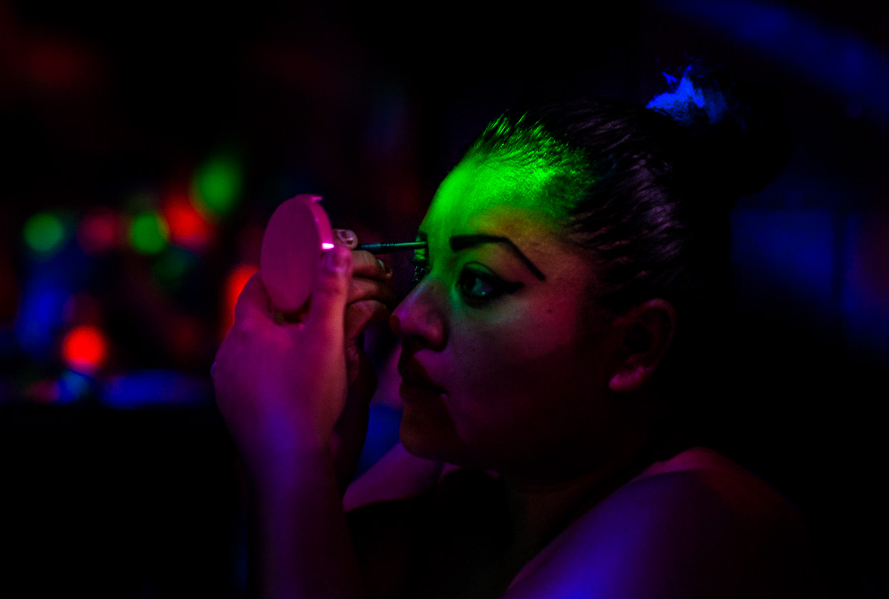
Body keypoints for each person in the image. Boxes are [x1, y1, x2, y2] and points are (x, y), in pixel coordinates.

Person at [212, 67, 821, 598]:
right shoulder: (461, 474)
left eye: (478, 283)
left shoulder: (696, 518)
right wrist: (314, 459)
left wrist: (292, 450)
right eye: (425, 266)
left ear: (635, 346)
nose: (407, 317)